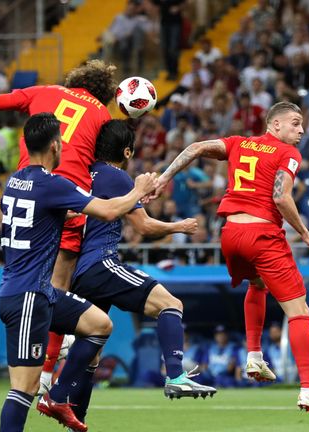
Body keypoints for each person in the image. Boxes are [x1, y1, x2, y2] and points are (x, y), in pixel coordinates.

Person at [152, 102, 309, 421]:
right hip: (262, 235)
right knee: (300, 312)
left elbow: (197, 147)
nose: (301, 130)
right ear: (276, 125)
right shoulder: (288, 153)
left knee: (257, 283)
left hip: (230, 235)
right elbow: (282, 197)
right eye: (295, 123)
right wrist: (306, 233)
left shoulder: (239, 143)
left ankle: (254, 355)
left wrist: (163, 178)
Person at [0, 59, 118, 384]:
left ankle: (28, 367)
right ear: (104, 92)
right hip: (69, 198)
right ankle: (48, 372)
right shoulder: (102, 114)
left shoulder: (45, 91)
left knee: (26, 277)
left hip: (27, 194)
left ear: (74, 79)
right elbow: (102, 163)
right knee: (57, 288)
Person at [0, 113, 156, 432]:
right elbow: (109, 210)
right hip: (27, 296)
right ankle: (51, 395)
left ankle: (58, 393)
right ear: (55, 146)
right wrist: (139, 190)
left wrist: (58, 214)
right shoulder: (52, 184)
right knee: (23, 389)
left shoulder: (15, 181)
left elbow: (27, 213)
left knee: (99, 324)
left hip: (38, 290)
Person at [60, 120, 214, 424]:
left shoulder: (79, 173)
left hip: (78, 273)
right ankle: (176, 375)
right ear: (127, 151)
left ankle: (64, 406)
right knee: (170, 304)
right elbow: (144, 227)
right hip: (101, 263)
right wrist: (178, 227)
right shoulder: (116, 176)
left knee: (91, 352)